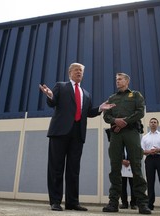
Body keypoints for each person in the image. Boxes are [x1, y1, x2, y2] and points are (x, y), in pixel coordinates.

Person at [39, 62, 115, 212]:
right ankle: (55, 201)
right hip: (60, 132)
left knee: (74, 169)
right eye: (76, 70)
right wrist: (49, 95)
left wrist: (100, 108)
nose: (79, 72)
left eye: (81, 70)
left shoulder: (86, 94)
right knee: (56, 167)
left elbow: (89, 113)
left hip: (77, 134)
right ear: (70, 72)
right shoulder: (61, 86)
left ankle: (72, 202)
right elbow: (53, 102)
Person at [102, 72, 151, 214]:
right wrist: (115, 121)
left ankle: (142, 203)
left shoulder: (136, 95)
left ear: (127, 81)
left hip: (131, 132)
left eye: (120, 79)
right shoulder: (112, 98)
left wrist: (124, 122)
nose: (117, 81)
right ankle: (113, 203)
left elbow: (140, 112)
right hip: (116, 134)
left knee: (136, 165)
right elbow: (106, 116)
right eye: (116, 79)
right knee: (115, 167)